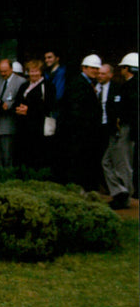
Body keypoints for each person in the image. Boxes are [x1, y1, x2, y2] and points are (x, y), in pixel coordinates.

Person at [55, 54, 102, 190]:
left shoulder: (87, 83)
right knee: (77, 165)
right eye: (93, 68)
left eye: (97, 69)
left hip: (83, 134)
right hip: (78, 134)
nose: (95, 71)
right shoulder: (78, 84)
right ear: (84, 68)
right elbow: (76, 111)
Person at [102, 52, 138, 209]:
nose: (121, 71)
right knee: (106, 161)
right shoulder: (126, 86)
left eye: (122, 67)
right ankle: (119, 191)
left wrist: (119, 119)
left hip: (125, 129)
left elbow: (130, 110)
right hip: (118, 130)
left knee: (123, 164)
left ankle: (124, 196)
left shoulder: (133, 87)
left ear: (127, 68)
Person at [13, 59, 55, 170]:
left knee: (37, 156)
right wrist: (19, 109)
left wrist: (29, 110)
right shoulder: (24, 86)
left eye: (36, 71)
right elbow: (17, 101)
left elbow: (49, 106)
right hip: (23, 127)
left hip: (37, 128)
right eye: (31, 71)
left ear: (41, 72)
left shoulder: (47, 86)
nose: (33, 74)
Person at [0, 59, 26, 169]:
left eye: (5, 71)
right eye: (1, 71)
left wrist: (8, 105)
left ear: (11, 69)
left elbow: (19, 101)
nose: (3, 74)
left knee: (8, 158)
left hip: (8, 125)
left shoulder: (21, 82)